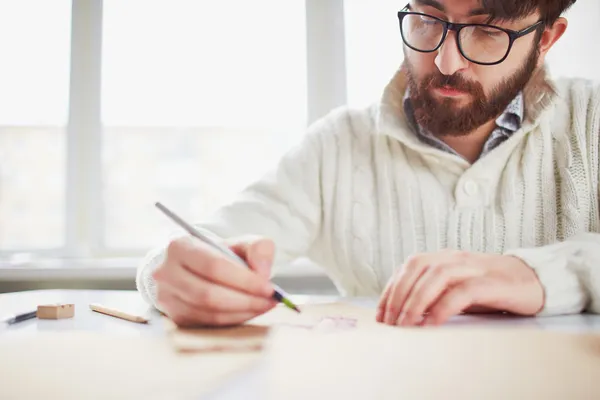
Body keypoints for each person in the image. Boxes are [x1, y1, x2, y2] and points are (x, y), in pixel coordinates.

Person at [137, 0, 600, 328]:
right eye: (426, 18)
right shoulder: (337, 145)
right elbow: (201, 244)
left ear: (545, 39)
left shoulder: (591, 121)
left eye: (487, 30)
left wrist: (538, 275)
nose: (445, 59)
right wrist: (169, 276)